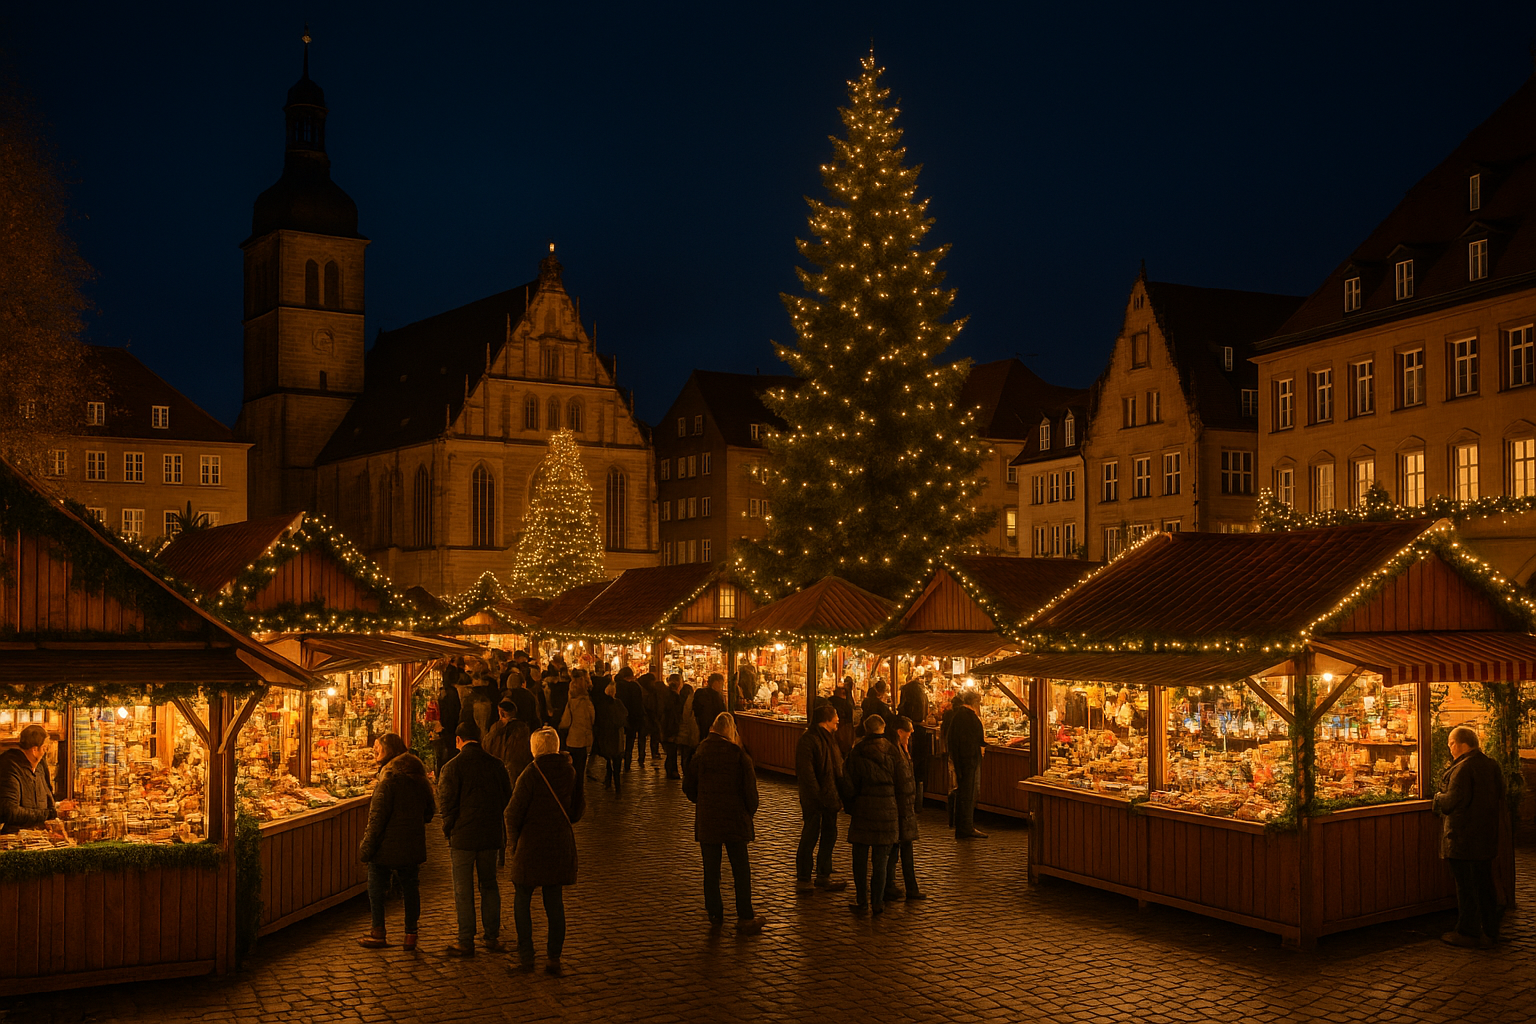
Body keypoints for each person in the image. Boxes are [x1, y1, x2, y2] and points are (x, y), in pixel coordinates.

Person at [506, 728, 585, 975]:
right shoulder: (570, 771)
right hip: (559, 844)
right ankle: (553, 958)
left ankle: (526, 957)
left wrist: (513, 844)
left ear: (535, 748)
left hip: (531, 845)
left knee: (522, 898)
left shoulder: (530, 774)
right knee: (554, 902)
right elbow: (576, 811)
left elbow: (512, 812)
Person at [436, 721, 514, 957]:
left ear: (458, 740)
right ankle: (491, 936)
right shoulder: (496, 765)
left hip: (463, 836)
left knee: (463, 889)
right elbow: (507, 798)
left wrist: (449, 829)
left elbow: (447, 804)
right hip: (490, 834)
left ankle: (466, 939)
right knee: (489, 885)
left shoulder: (452, 767)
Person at [683, 713, 765, 934]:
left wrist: (704, 801)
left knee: (711, 869)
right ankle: (745, 914)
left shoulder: (700, 753)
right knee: (740, 868)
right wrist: (749, 811)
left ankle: (715, 913)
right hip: (735, 820)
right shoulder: (739, 755)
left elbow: (689, 788)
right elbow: (751, 794)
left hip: (709, 820)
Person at [357, 733, 435, 951]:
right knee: (411, 888)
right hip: (411, 844)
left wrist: (366, 848)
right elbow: (430, 812)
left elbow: (377, 819)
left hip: (386, 846)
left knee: (376, 887)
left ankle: (378, 931)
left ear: (389, 751)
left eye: (378, 748)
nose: (375, 752)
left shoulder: (388, 781)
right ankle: (411, 934)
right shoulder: (419, 778)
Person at [1433, 725, 1505, 948]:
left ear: (1460, 743)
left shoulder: (1462, 769)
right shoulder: (1491, 765)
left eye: (1451, 745)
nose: (1450, 750)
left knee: (1466, 888)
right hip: (1485, 836)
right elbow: (1501, 794)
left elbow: (1452, 801)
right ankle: (1490, 931)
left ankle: (1468, 931)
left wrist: (1437, 797)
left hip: (1462, 838)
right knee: (1484, 885)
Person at [839, 714, 899, 915]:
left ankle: (861, 900)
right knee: (881, 860)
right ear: (883, 728)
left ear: (865, 729)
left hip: (863, 810)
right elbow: (904, 782)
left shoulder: (858, 752)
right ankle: (878, 902)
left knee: (860, 859)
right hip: (888, 811)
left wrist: (851, 804)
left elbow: (848, 783)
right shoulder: (893, 751)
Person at [794, 704, 847, 894]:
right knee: (810, 835)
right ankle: (804, 876)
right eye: (835, 716)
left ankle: (823, 874)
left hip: (830, 797)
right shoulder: (809, 740)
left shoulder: (829, 739)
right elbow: (807, 775)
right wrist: (817, 796)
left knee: (829, 835)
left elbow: (836, 769)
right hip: (815, 799)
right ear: (826, 719)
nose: (838, 720)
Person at [484, 701, 533, 865]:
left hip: (498, 776)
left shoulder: (496, 729)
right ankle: (513, 847)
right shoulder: (522, 730)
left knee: (500, 814)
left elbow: (486, 748)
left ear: (501, 712)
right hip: (515, 775)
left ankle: (501, 851)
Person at [884, 716, 926, 902]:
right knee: (900, 849)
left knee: (898, 848)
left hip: (903, 806)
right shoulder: (894, 752)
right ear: (900, 732)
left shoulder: (900, 750)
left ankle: (895, 884)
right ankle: (902, 886)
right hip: (900, 806)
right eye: (908, 733)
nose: (911, 735)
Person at [0, 724, 57, 833]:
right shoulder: (9, 767)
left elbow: (49, 800)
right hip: (14, 838)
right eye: (44, 748)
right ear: (34, 750)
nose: (45, 752)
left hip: (38, 836)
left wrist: (57, 808)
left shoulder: (40, 767)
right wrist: (48, 814)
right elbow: (10, 812)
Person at [949, 691, 987, 839]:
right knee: (969, 793)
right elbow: (976, 739)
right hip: (969, 761)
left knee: (964, 793)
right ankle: (966, 826)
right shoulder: (970, 718)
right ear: (975, 703)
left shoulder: (957, 716)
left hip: (961, 760)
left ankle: (962, 826)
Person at [897, 674, 932, 802]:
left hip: (910, 727)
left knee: (909, 762)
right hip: (921, 730)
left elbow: (902, 708)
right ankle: (919, 800)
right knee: (919, 767)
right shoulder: (923, 694)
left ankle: (911, 798)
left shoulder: (908, 694)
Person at [560, 672, 596, 784]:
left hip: (573, 739)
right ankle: (579, 793)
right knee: (580, 769)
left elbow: (565, 722)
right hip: (585, 739)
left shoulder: (571, 703)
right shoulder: (588, 702)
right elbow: (592, 719)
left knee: (572, 769)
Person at [594, 682, 627, 794]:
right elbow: (624, 716)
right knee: (616, 761)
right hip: (616, 736)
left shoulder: (602, 705)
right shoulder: (618, 704)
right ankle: (617, 787)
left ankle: (608, 781)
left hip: (606, 736)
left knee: (608, 759)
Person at [614, 666, 646, 771]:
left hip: (621, 716)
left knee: (619, 739)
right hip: (634, 716)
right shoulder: (635, 686)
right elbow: (638, 703)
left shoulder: (617, 686)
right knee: (630, 740)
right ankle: (628, 761)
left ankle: (618, 759)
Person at [661, 674, 689, 779]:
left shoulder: (666, 695)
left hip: (667, 727)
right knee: (672, 751)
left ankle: (672, 770)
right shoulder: (674, 698)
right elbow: (674, 715)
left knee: (671, 751)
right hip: (671, 727)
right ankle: (672, 771)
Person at [434, 672, 463, 772]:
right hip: (452, 726)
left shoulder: (445, 693)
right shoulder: (453, 692)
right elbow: (458, 709)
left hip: (445, 726)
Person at [690, 673, 728, 745]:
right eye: (721, 684)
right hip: (712, 727)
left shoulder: (700, 692)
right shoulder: (716, 697)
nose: (722, 687)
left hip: (701, 726)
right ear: (715, 683)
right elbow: (721, 712)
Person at [638, 671, 664, 768]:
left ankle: (644, 755)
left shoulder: (646, 690)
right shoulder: (650, 691)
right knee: (651, 736)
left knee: (646, 737)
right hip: (649, 716)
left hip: (648, 717)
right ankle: (650, 753)